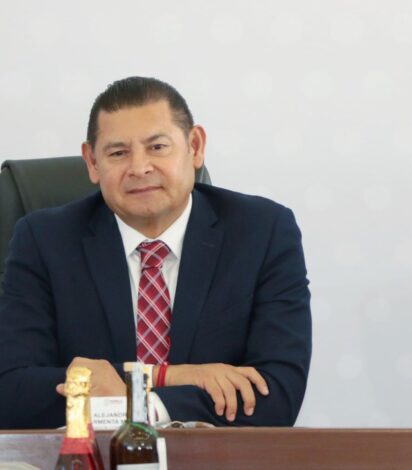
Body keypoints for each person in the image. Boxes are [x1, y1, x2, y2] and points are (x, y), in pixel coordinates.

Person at [0, 77, 312, 428]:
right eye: (118, 153)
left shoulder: (263, 232)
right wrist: (169, 375)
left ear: (195, 147)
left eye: (157, 147)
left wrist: (140, 406)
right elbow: (12, 392)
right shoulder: (44, 241)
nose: (139, 168)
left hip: (216, 456)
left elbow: (277, 394)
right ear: (92, 162)